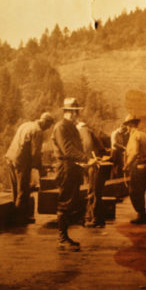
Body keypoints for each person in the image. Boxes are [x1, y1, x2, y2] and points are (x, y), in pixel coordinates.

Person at [52, 98, 96, 251]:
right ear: (68, 112)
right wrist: (87, 159)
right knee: (65, 202)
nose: (76, 114)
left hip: (72, 168)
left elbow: (75, 149)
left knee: (70, 201)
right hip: (65, 168)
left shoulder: (70, 127)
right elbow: (68, 151)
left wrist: (84, 161)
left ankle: (65, 237)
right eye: (75, 111)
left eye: (77, 111)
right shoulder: (61, 127)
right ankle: (62, 239)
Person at [5, 112, 54, 224]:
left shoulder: (25, 124)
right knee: (23, 191)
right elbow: (35, 154)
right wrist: (41, 168)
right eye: (49, 125)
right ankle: (19, 220)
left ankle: (15, 217)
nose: (48, 128)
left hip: (10, 158)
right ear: (46, 122)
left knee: (15, 191)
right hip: (21, 162)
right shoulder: (37, 131)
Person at [76, 122, 109, 228]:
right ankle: (99, 218)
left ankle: (93, 218)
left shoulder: (81, 132)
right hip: (95, 164)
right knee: (96, 192)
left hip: (89, 164)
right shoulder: (91, 132)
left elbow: (85, 149)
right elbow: (102, 149)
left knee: (92, 191)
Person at [123, 114, 146, 224]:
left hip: (136, 166)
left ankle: (141, 214)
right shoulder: (144, 135)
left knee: (133, 191)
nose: (127, 128)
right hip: (145, 166)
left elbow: (134, 152)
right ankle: (142, 214)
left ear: (130, 125)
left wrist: (126, 165)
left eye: (127, 126)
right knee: (141, 191)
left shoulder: (134, 136)